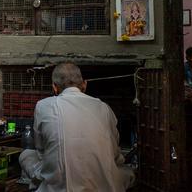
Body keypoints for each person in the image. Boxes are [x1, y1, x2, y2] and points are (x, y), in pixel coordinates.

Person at [19, 62, 134, 191]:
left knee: (26, 155)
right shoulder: (104, 108)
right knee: (126, 171)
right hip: (104, 186)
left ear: (54, 88)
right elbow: (115, 153)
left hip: (59, 187)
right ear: (84, 84)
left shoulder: (43, 106)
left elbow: (41, 151)